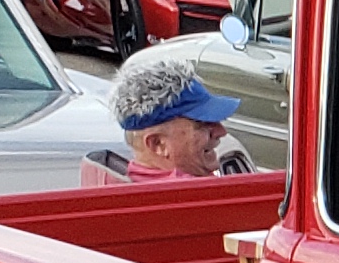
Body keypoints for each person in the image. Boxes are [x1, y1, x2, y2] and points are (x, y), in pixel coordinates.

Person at [91, 49, 254, 182]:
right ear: (158, 144)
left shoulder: (125, 182)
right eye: (202, 124)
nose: (221, 131)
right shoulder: (195, 199)